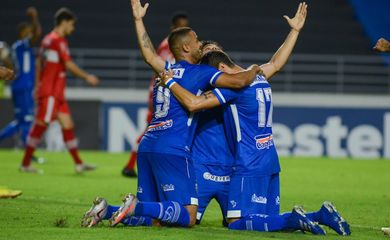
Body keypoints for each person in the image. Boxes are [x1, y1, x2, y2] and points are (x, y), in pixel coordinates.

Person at [158, 3, 350, 235]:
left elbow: (194, 103)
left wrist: (170, 82)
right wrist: (295, 31)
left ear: (219, 68)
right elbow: (276, 63)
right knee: (266, 220)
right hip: (269, 158)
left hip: (247, 163)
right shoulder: (257, 75)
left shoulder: (233, 88)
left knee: (237, 223)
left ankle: (294, 218)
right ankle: (319, 215)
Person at [81, 0, 261, 228]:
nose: (200, 44)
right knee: (188, 216)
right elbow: (240, 80)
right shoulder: (200, 72)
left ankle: (108, 211)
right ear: (186, 47)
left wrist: (138, 20)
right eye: (196, 41)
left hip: (147, 146)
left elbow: (148, 54)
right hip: (173, 148)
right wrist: (254, 69)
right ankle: (135, 206)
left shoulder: (164, 70)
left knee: (156, 220)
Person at [20, 8, 99, 173]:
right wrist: (87, 77)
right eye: (71, 24)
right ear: (64, 22)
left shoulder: (48, 40)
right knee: (41, 125)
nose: (73, 28)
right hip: (50, 92)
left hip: (55, 92)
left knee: (67, 124)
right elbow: (69, 65)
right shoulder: (57, 41)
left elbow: (39, 64)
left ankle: (78, 163)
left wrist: (37, 85)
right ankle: (25, 163)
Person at [122, 12, 189, 178]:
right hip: (161, 90)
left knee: (154, 127)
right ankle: (133, 165)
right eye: (180, 26)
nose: (183, 30)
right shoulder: (168, 45)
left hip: (167, 89)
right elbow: (165, 68)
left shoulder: (175, 44)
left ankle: (131, 165)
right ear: (173, 27)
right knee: (152, 128)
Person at [0, 7, 44, 163]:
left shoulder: (19, 47)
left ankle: (27, 151)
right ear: (22, 33)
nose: (30, 32)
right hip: (23, 86)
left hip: (20, 86)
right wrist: (34, 18)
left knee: (20, 121)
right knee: (26, 120)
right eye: (27, 31)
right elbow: (37, 33)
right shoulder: (22, 45)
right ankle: (29, 153)